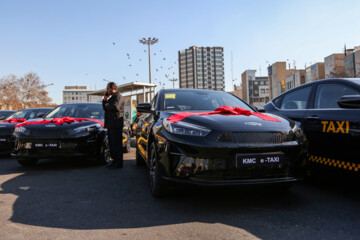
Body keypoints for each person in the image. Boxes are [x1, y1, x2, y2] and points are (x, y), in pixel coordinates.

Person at [102, 82, 125, 169]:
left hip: (116, 124)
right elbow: (105, 108)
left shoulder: (118, 96)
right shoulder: (111, 98)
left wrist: (108, 105)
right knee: (112, 144)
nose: (107, 90)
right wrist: (105, 99)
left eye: (108, 88)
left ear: (113, 88)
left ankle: (119, 162)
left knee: (117, 145)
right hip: (110, 125)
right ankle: (114, 161)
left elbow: (115, 107)